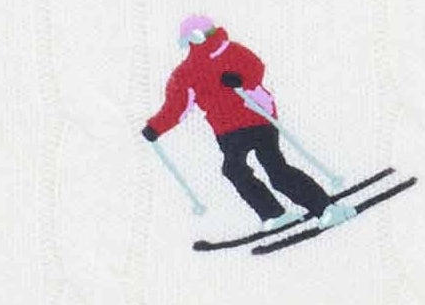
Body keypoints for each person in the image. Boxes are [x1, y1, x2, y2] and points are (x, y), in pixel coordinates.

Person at [143, 17, 334, 228]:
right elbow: (176, 106)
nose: (209, 39)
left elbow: (255, 67)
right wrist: (155, 127)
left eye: (209, 33)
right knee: (234, 170)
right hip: (227, 130)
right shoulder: (186, 73)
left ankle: (324, 208)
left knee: (276, 170)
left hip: (257, 118)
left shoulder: (231, 50)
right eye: (200, 36)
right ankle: (273, 213)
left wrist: (242, 80)